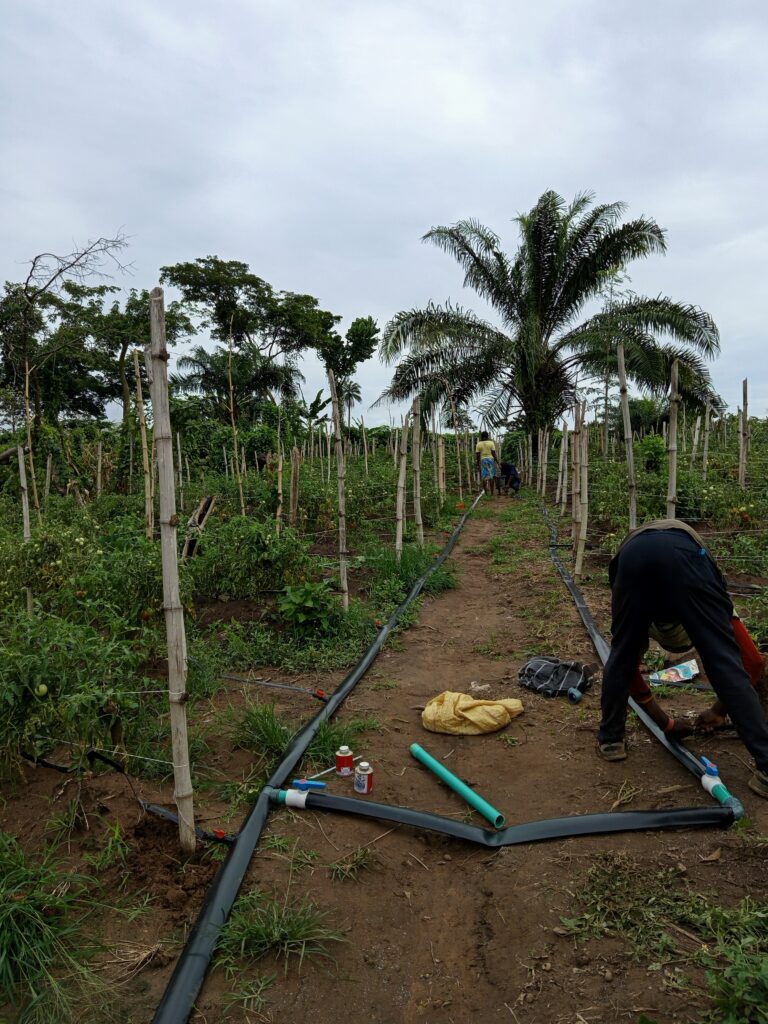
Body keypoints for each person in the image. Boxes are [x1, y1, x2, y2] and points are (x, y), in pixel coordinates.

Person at [598, 518, 768, 798]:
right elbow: (750, 662)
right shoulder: (710, 598)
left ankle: (611, 740)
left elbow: (623, 666)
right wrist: (677, 721)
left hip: (633, 557)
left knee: (622, 655)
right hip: (687, 558)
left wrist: (709, 713)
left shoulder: (641, 609)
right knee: (724, 662)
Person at [475, 431, 499, 496]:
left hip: (483, 460)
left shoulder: (478, 444)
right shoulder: (491, 443)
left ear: (481, 436)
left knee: (484, 477)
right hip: (491, 460)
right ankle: (491, 493)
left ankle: (486, 493)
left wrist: (478, 464)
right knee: (491, 477)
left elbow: (477, 455)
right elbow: (494, 453)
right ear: (487, 436)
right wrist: (497, 461)